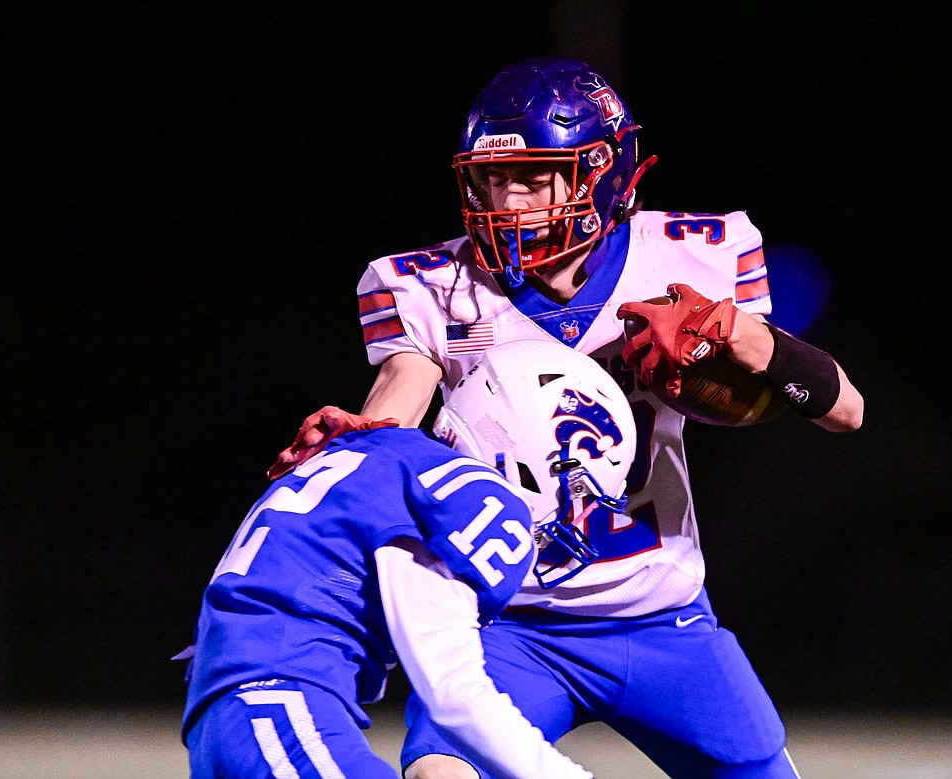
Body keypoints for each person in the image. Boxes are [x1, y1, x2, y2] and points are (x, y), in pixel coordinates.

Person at [274, 58, 863, 778]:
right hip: (506, 623)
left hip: (661, 614)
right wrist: (355, 452)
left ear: (601, 174)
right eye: (493, 178)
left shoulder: (686, 257)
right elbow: (398, 396)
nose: (507, 199)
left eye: (530, 176)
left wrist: (735, 331)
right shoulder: (435, 288)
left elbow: (845, 410)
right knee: (439, 773)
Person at [182, 341, 638, 778]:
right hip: (281, 703)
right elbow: (455, 696)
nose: (573, 511)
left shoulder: (371, 450)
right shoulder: (466, 493)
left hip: (235, 711)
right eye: (576, 486)